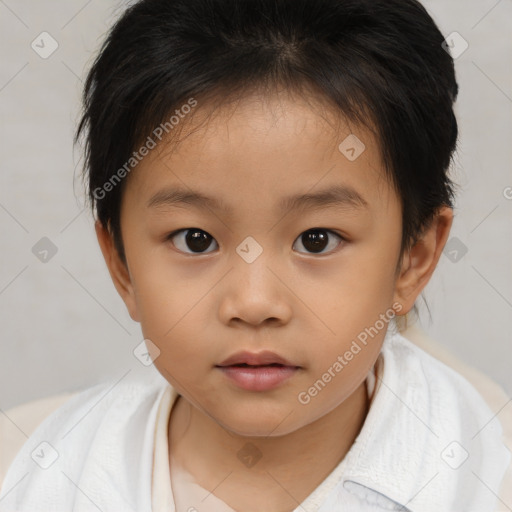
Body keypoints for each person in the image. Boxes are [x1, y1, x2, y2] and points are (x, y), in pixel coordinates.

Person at [0, 0, 510, 510]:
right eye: (195, 240)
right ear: (121, 265)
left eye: (317, 240)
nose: (254, 302)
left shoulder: (488, 477)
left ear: (414, 258)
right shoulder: (35, 471)